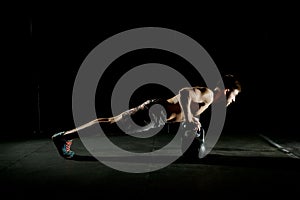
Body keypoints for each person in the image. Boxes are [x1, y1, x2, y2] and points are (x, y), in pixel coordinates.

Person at [52, 74, 241, 159]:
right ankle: (64, 137)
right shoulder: (208, 94)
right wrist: (190, 117)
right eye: (234, 96)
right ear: (226, 90)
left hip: (155, 113)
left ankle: (65, 136)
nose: (233, 101)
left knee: (108, 124)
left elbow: (184, 108)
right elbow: (184, 93)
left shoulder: (207, 100)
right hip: (154, 114)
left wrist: (191, 117)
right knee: (107, 126)